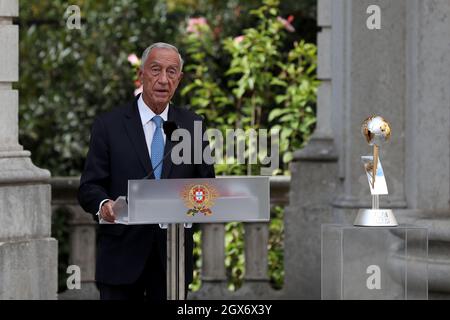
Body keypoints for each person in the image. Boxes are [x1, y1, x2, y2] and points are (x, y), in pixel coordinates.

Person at [78, 42, 215, 300]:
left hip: (172, 260)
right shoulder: (109, 125)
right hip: (120, 258)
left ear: (180, 79)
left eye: (172, 72)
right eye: (156, 70)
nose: (164, 79)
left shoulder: (192, 125)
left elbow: (206, 184)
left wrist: (191, 210)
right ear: (141, 75)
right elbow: (89, 187)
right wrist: (103, 204)